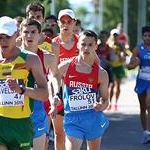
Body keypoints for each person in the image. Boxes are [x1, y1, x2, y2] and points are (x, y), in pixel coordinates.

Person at [0, 16, 48, 150]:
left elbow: (44, 94)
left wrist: (22, 90)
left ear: (16, 35)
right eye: (0, 37)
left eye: (7, 37)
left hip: (21, 124)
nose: (3, 41)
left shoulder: (30, 59)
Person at [57, 30, 109, 150]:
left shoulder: (101, 73)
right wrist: (55, 95)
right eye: (83, 44)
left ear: (96, 46)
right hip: (72, 118)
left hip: (93, 118)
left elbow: (106, 100)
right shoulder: (65, 66)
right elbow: (52, 79)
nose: (86, 48)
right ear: (78, 45)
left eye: (90, 45)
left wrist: (102, 105)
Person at [20, 18, 60, 150]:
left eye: (33, 32)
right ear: (20, 34)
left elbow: (55, 75)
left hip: (38, 110)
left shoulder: (49, 57)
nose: (29, 36)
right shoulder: (11, 57)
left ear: (40, 35)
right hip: (16, 110)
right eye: (26, 32)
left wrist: (56, 94)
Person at [52, 9, 79, 150]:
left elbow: (93, 65)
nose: (66, 25)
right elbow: (53, 73)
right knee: (59, 133)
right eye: (62, 22)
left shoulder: (82, 43)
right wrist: (55, 93)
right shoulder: (53, 44)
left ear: (74, 23)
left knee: (75, 133)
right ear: (58, 23)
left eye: (69, 22)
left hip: (77, 91)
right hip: (59, 90)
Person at [127, 26, 150, 144]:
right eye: (145, 36)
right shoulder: (138, 49)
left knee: (148, 104)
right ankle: (146, 132)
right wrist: (135, 63)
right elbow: (129, 65)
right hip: (141, 81)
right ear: (142, 36)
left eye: (149, 36)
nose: (147, 38)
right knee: (142, 108)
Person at [108, 30, 126, 111]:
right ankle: (109, 102)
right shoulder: (108, 45)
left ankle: (115, 103)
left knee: (118, 86)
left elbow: (123, 59)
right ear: (111, 36)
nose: (115, 37)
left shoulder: (121, 45)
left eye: (116, 35)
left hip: (119, 67)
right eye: (113, 35)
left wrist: (119, 53)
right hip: (111, 67)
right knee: (112, 85)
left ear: (118, 36)